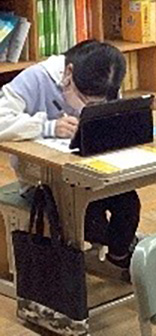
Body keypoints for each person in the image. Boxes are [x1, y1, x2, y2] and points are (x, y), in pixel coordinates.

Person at [0, 40, 140, 269]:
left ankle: (119, 258)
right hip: (43, 182)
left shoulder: (105, 84)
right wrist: (47, 127)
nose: (85, 107)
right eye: (84, 99)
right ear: (69, 72)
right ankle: (96, 258)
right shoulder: (36, 78)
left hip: (92, 173)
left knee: (128, 203)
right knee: (88, 216)